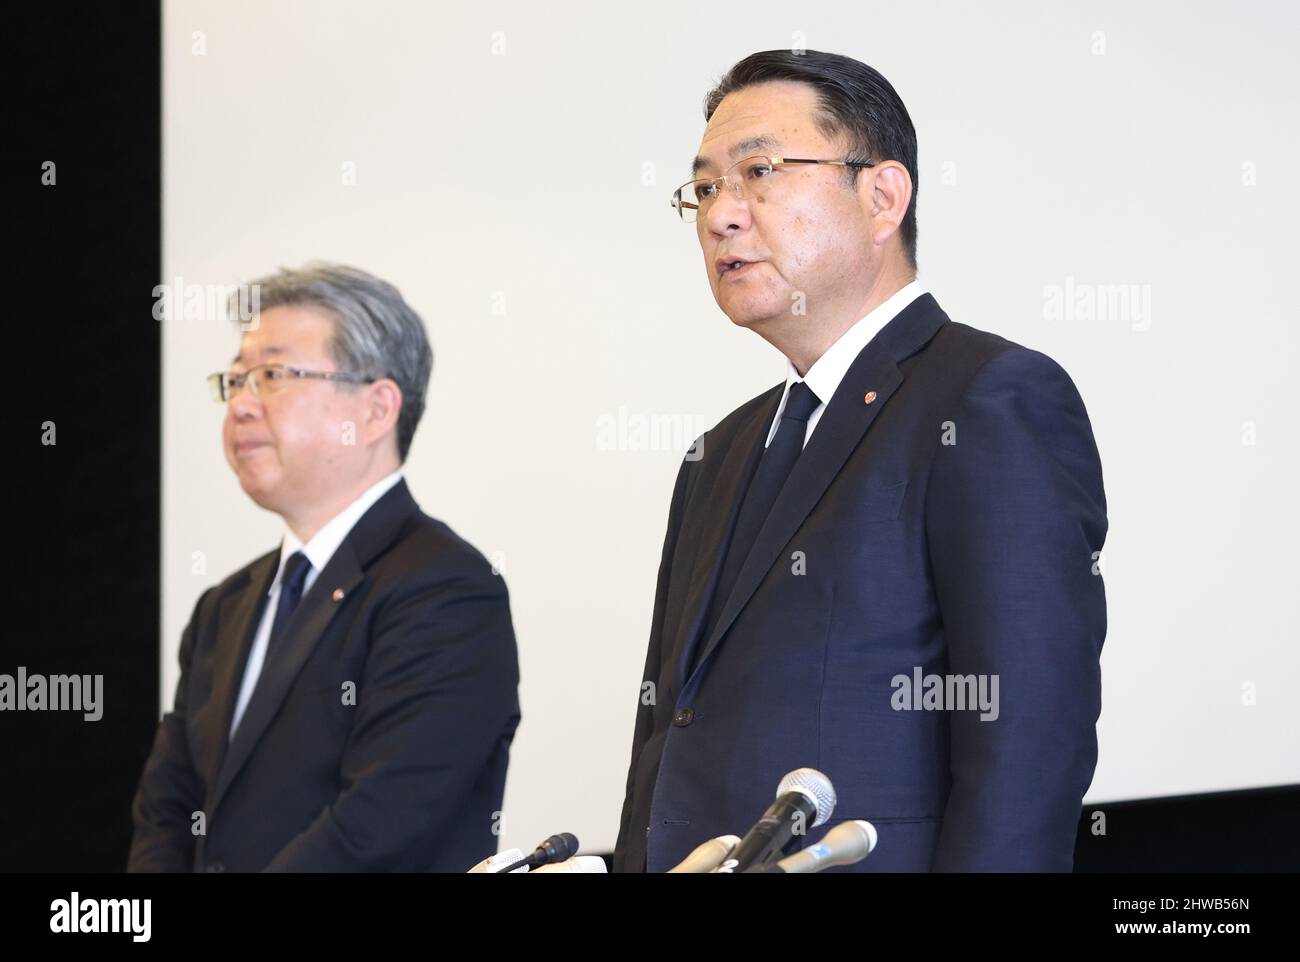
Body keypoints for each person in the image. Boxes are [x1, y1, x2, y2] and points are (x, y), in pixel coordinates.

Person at [614, 50, 1108, 872]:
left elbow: (1028, 736)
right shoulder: (720, 453)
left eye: (759, 172)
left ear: (882, 196)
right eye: (704, 189)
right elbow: (667, 735)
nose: (720, 216)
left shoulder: (989, 400)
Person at [128, 263, 520, 872]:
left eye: (273, 375)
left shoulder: (445, 590)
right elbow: (166, 814)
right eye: (233, 382)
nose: (241, 406)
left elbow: (381, 824)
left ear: (375, 409)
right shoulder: (223, 608)